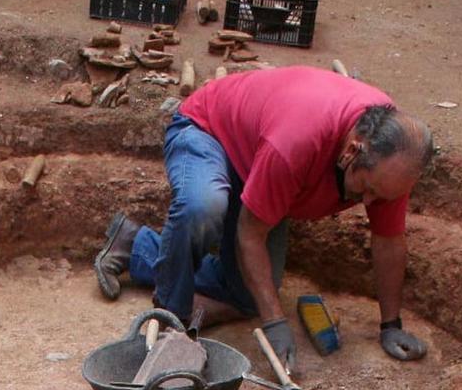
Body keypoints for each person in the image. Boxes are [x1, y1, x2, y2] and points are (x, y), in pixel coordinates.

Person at [94, 65, 433, 373]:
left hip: (259, 158)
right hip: (209, 132)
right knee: (204, 206)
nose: (370, 202)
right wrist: (275, 322)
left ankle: (135, 244)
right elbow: (250, 234)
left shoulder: (395, 162)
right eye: (367, 189)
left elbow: (388, 239)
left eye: (380, 196)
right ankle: (171, 314)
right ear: (352, 150)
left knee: (247, 295)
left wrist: (391, 325)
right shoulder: (298, 141)